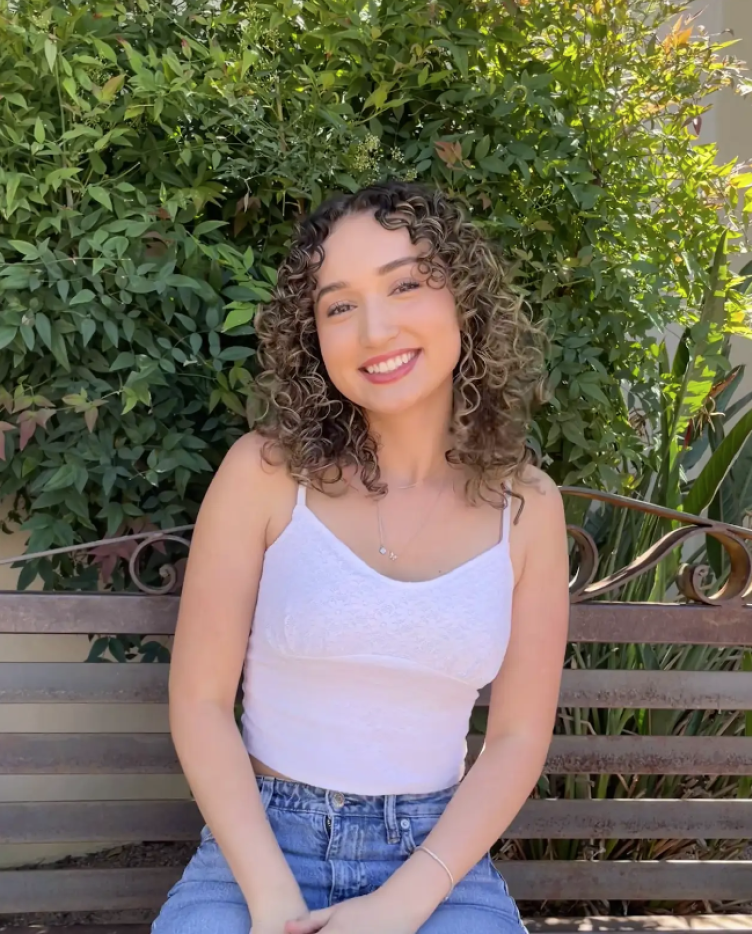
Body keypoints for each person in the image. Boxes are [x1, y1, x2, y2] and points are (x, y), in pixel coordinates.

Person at [152, 181, 569, 934]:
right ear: (313, 337)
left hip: (435, 861)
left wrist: (402, 904)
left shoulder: (529, 507)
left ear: (463, 302)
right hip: (261, 846)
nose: (375, 330)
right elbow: (201, 704)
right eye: (339, 305)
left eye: (406, 284)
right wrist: (271, 897)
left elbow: (515, 739)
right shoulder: (264, 475)